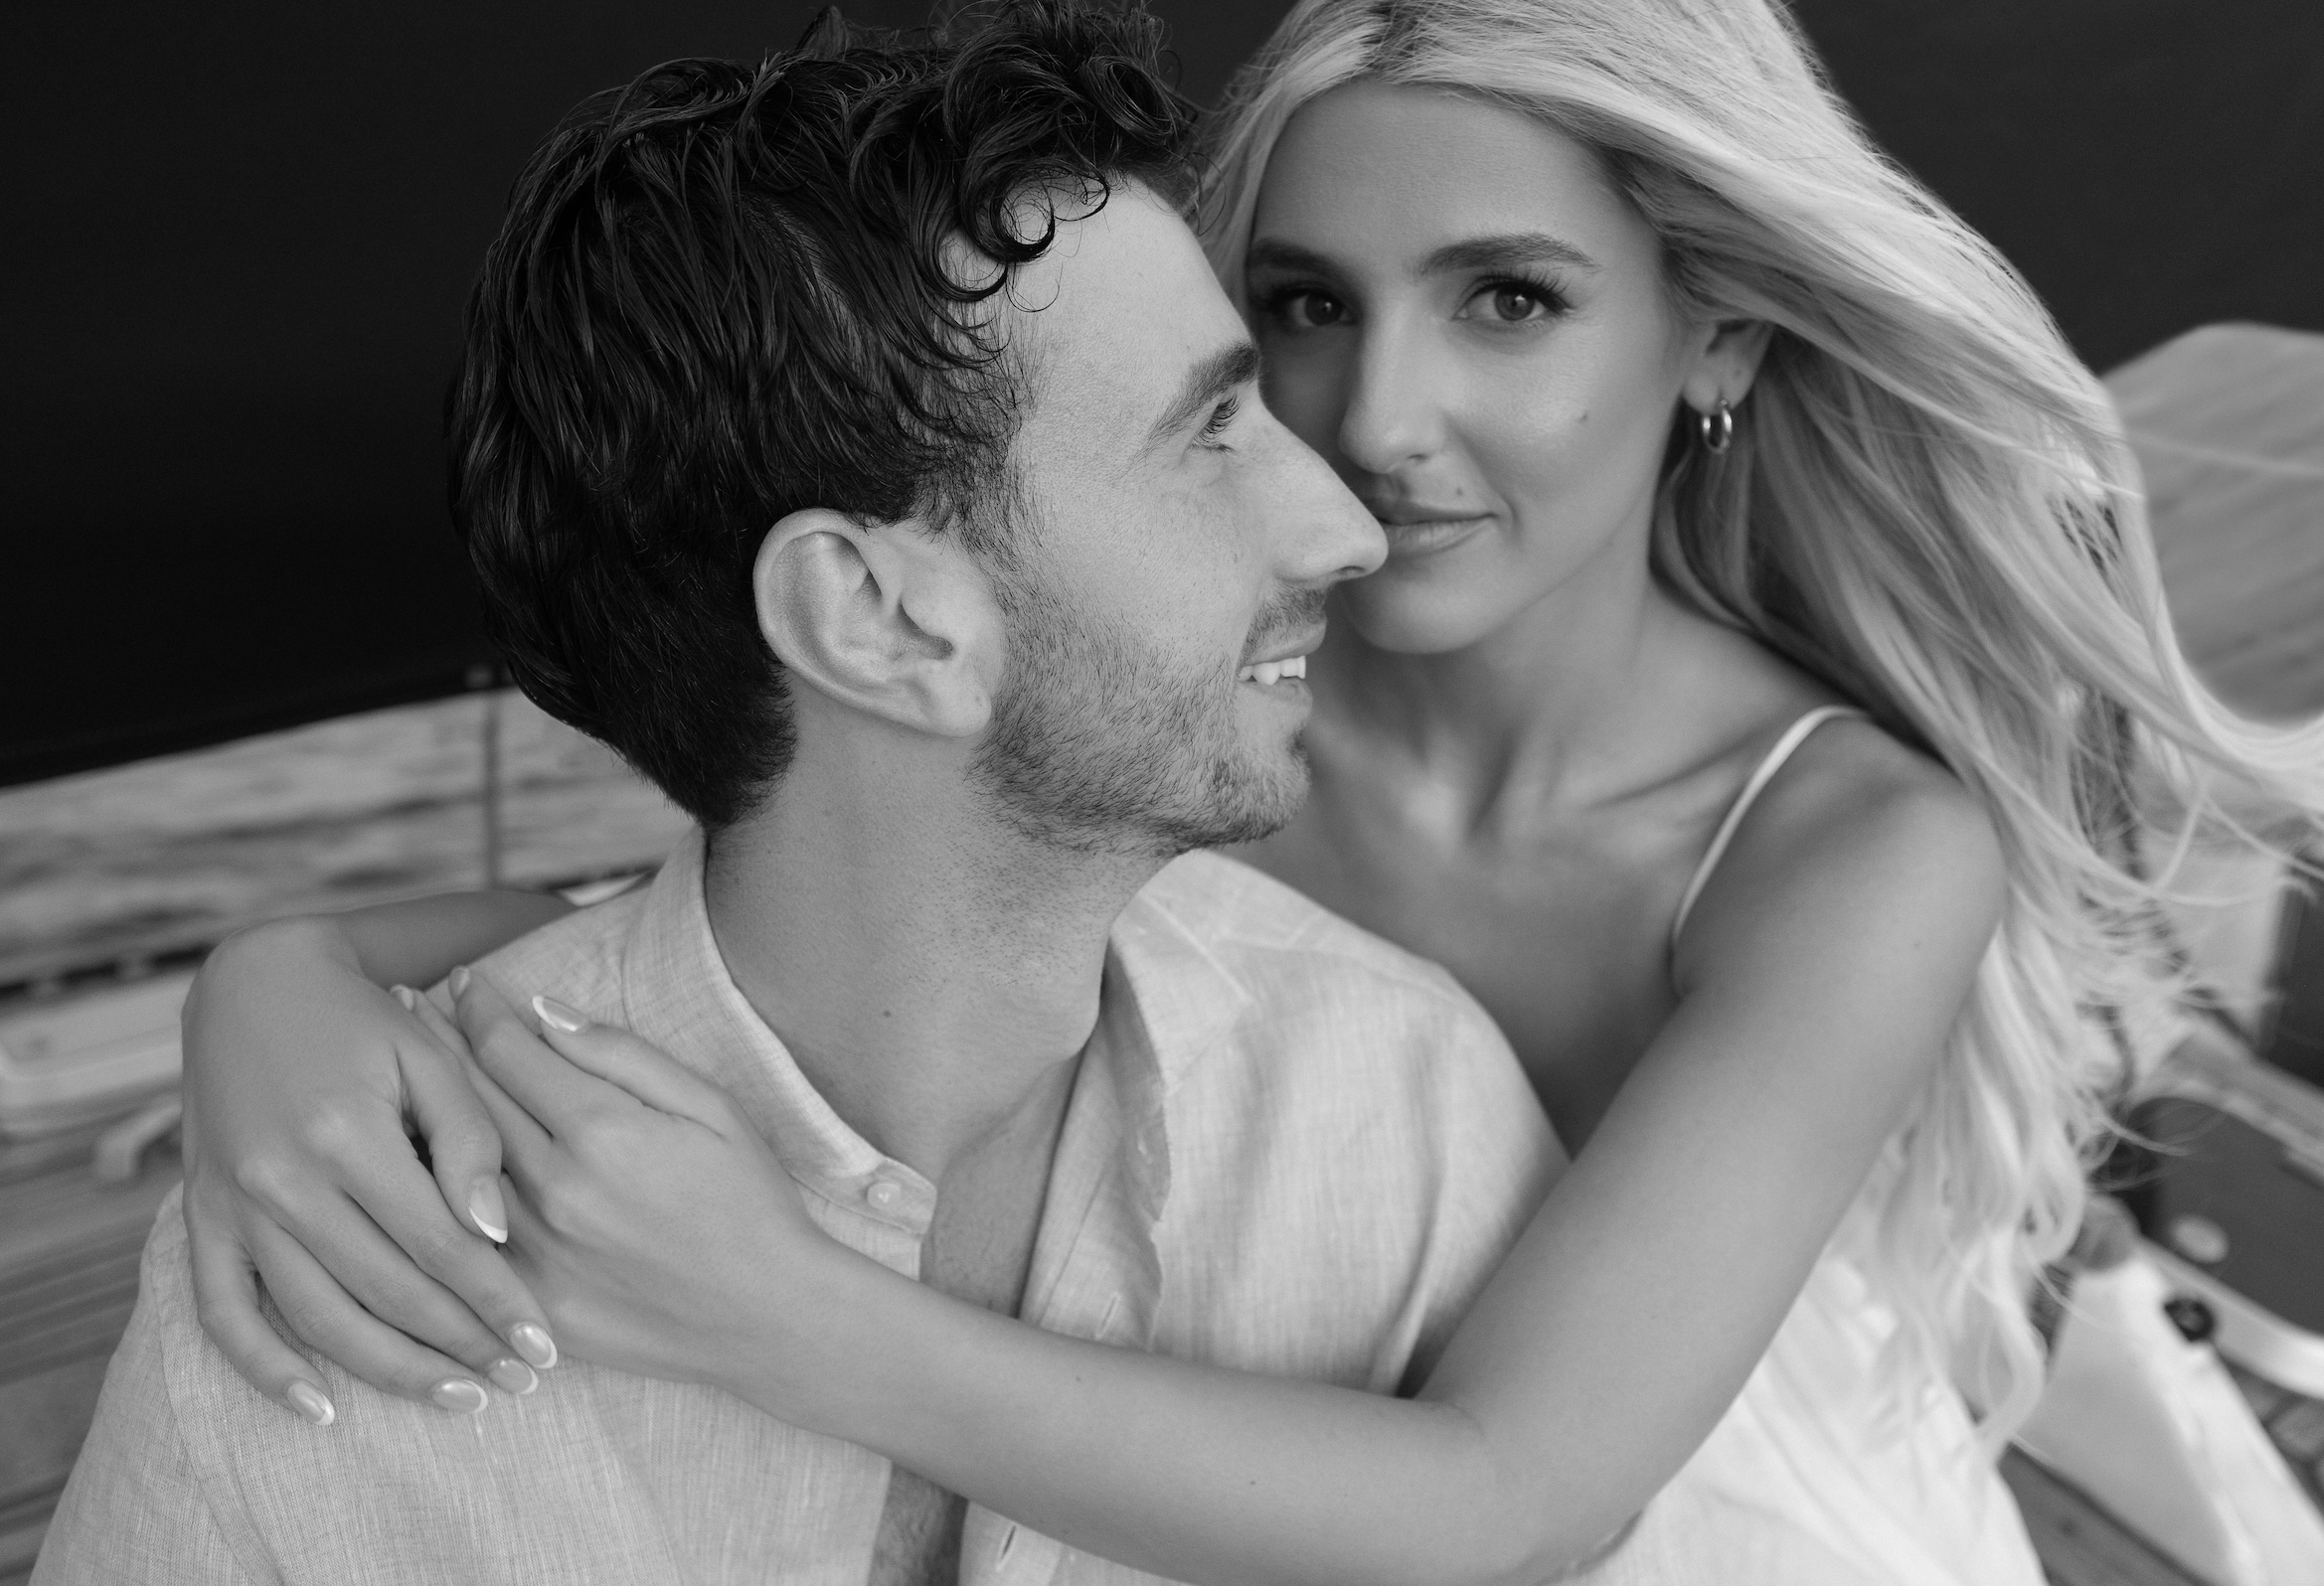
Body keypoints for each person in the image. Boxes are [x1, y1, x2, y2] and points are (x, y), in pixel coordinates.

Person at [121, 0, 2324, 1582]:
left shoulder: (1842, 844)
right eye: (1292, 310)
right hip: (1209, 1418)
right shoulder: (1211, 700)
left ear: (1719, 338)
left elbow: (1508, 1501)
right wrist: (276, 979)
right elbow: (796, 865)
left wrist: (782, 1316)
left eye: (1507, 302)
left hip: (1665, 1491)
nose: (1372, 426)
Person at [33, 9, 1569, 1584]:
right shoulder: (345, 1261)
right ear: (877, 622)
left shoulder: (1401, 1107)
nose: (1344, 529)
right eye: (1208, 434)